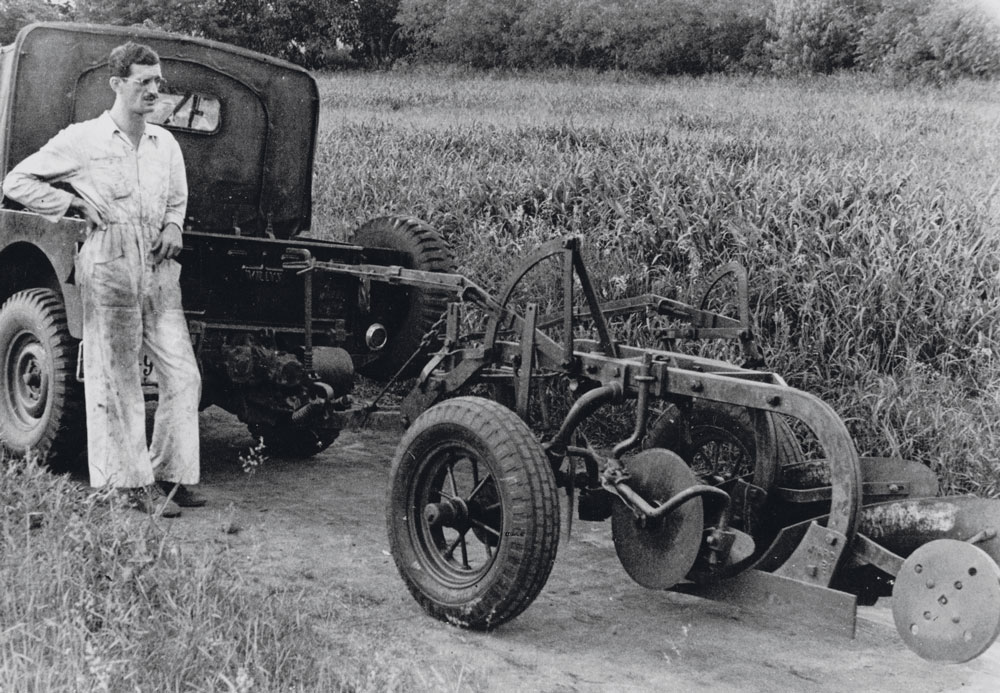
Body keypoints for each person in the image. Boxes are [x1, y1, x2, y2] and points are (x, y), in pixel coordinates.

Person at [3, 41, 204, 517]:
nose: (155, 91)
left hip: (157, 265)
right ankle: (126, 484)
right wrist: (70, 205)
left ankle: (171, 475)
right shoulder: (84, 139)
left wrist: (174, 226)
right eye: (144, 82)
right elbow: (17, 182)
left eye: (159, 82)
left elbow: (176, 200)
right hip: (109, 258)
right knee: (117, 376)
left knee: (182, 373)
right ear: (117, 84)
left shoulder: (165, 144)